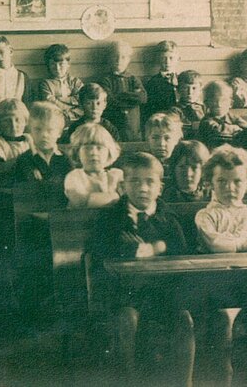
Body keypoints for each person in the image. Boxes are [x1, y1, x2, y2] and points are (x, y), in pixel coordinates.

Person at [86, 152, 193, 384]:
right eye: (135, 181)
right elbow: (98, 254)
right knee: (128, 319)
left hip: (161, 294)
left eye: (149, 182)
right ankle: (130, 380)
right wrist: (130, 251)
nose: (142, 188)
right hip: (123, 295)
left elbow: (182, 253)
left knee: (184, 319)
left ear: (160, 188)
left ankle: (184, 383)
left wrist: (156, 247)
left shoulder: (169, 219)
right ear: (123, 185)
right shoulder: (109, 218)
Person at [194, 145, 247, 371]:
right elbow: (216, 245)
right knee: (224, 319)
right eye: (221, 181)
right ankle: (224, 369)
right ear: (209, 183)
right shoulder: (207, 215)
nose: (229, 188)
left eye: (237, 182)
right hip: (218, 288)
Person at [11, 101, 71, 206]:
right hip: (33, 210)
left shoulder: (65, 159)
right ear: (30, 130)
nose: (44, 135)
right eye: (38, 129)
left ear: (59, 133)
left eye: (50, 130)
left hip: (62, 210)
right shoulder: (24, 159)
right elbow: (31, 189)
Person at [64, 123, 122, 209]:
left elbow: (127, 202)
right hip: (81, 221)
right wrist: (114, 195)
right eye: (87, 148)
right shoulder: (74, 176)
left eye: (99, 148)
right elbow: (81, 202)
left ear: (109, 152)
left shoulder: (116, 175)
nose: (93, 153)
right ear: (77, 152)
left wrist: (92, 197)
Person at [98, 40, 147, 142]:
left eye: (123, 57)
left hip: (133, 127)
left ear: (128, 59)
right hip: (114, 124)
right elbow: (110, 101)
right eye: (115, 56)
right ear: (109, 58)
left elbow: (143, 98)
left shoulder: (133, 79)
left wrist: (121, 95)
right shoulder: (106, 80)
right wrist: (132, 99)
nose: (119, 60)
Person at [38, 43, 84, 127]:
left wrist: (60, 99)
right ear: (48, 65)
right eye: (52, 64)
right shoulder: (45, 84)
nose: (57, 68)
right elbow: (51, 102)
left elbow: (81, 98)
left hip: (77, 118)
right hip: (55, 119)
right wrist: (69, 109)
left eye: (61, 64)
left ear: (68, 64)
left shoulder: (75, 81)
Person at [197, 81, 245, 149]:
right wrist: (235, 128)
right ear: (206, 103)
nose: (219, 104)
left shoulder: (232, 117)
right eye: (214, 101)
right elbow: (217, 130)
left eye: (223, 100)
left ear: (231, 103)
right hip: (214, 153)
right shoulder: (206, 121)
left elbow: (246, 128)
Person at [144, 40, 182, 120]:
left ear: (178, 59)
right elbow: (149, 109)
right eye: (163, 58)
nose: (167, 62)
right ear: (158, 59)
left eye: (171, 58)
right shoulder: (153, 82)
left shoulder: (182, 79)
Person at [176, 70, 205, 137]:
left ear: (200, 90)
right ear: (178, 90)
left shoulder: (205, 107)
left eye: (194, 88)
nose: (190, 92)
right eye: (185, 88)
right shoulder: (176, 110)